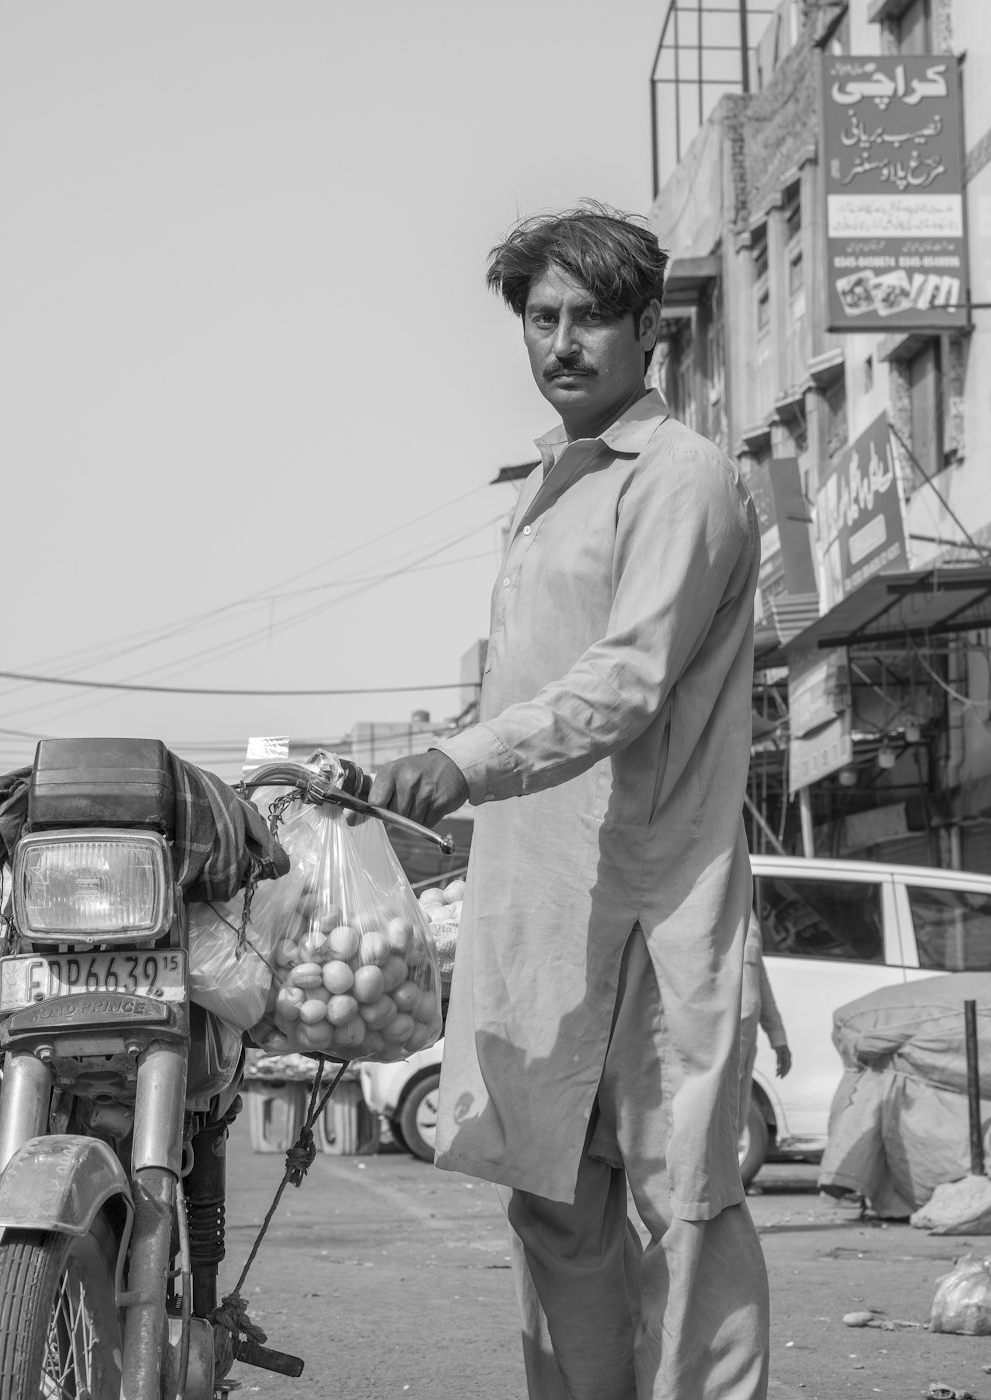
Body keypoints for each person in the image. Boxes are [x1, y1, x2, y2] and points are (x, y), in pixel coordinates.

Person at [367, 202, 768, 1399]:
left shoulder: (681, 479)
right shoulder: (549, 485)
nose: (561, 342)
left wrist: (464, 758)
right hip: (540, 911)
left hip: (653, 903)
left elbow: (625, 680)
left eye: (589, 316)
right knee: (554, 1205)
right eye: (540, 318)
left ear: (647, 326)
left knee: (683, 1204)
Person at [739, 912, 791, 1168]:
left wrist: (777, 1036)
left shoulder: (748, 915)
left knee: (733, 1121)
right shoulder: (702, 902)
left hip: (743, 1041)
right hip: (709, 1043)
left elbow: (759, 980)